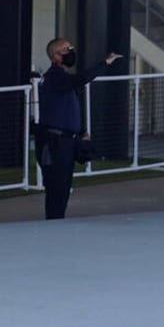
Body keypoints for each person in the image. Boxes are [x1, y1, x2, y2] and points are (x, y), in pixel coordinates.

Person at [35, 37, 122, 220]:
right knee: (57, 188)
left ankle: (57, 221)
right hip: (55, 143)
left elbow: (65, 108)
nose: (71, 52)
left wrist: (81, 131)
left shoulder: (61, 80)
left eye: (71, 48)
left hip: (64, 140)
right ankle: (54, 224)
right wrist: (105, 63)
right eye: (66, 50)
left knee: (63, 187)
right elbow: (82, 79)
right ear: (55, 56)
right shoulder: (54, 77)